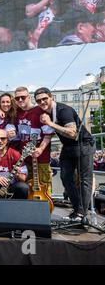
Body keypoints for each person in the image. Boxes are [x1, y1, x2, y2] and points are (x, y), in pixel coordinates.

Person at [35, 87, 95, 222]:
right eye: (39, 101)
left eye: (45, 98)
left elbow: (73, 133)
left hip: (83, 144)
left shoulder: (63, 110)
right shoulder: (46, 113)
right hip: (68, 147)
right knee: (65, 177)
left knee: (85, 179)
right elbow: (49, 134)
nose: (42, 102)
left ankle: (82, 214)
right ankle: (77, 209)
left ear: (52, 97)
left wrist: (50, 123)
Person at [14, 86, 55, 193]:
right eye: (17, 98)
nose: (20, 100)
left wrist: (40, 149)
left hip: (41, 159)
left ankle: (46, 209)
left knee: (44, 188)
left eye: (23, 97)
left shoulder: (40, 111)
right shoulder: (17, 112)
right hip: (24, 159)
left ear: (29, 97)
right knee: (28, 189)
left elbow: (48, 134)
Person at [0, 129, 29, 199]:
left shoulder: (16, 154)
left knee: (23, 187)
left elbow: (24, 178)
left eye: (3, 138)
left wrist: (18, 175)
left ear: (7, 140)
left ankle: (19, 208)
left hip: (11, 188)